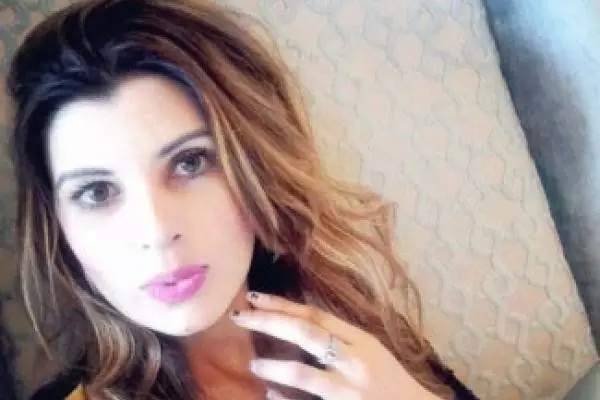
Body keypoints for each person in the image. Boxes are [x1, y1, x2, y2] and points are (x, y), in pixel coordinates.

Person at [5, 1, 479, 399]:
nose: (155, 231)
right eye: (96, 192)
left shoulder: (355, 329)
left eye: (191, 162)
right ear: (58, 224)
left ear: (258, 166)